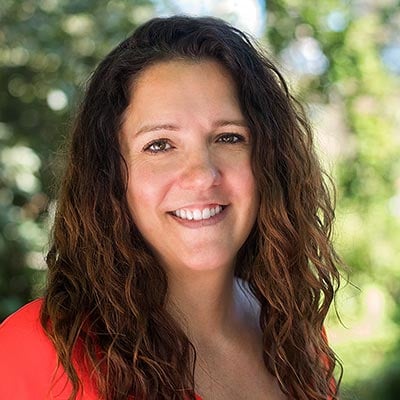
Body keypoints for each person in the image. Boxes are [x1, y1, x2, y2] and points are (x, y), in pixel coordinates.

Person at [0, 15, 342, 400]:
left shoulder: (298, 338)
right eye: (160, 144)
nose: (202, 175)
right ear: (110, 175)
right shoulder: (38, 351)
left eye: (229, 137)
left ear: (269, 161)